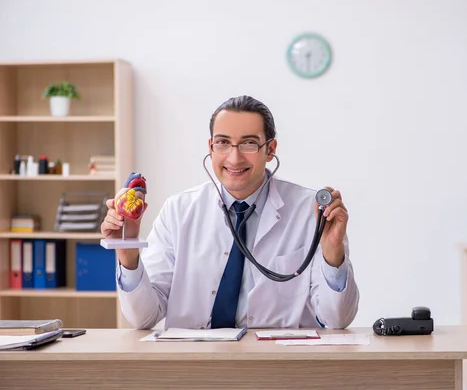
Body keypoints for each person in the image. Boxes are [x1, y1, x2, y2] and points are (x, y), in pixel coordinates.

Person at [101, 95, 359, 330]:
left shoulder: (310, 212)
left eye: (249, 143)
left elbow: (336, 321)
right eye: (223, 143)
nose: (234, 159)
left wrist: (333, 252)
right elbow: (143, 318)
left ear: (270, 150)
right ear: (211, 147)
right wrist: (128, 250)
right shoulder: (178, 211)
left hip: (275, 365)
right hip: (194, 364)